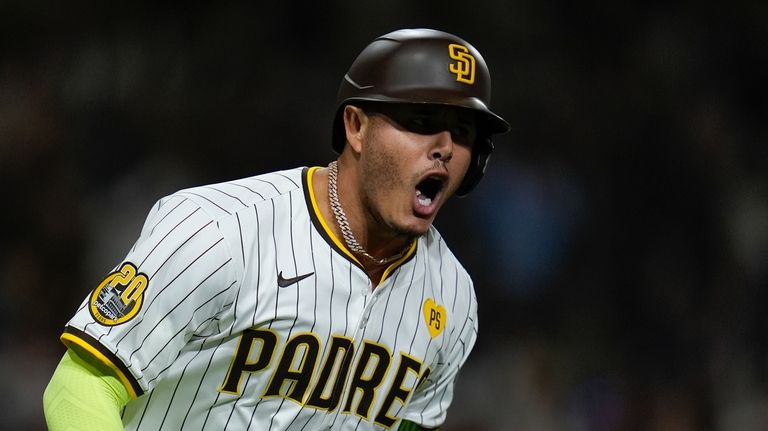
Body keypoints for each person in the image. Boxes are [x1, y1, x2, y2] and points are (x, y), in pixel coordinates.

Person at [43, 28, 509, 430]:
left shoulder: (453, 298)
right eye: (422, 122)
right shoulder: (219, 230)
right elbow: (79, 388)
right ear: (356, 127)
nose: (445, 148)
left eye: (463, 134)